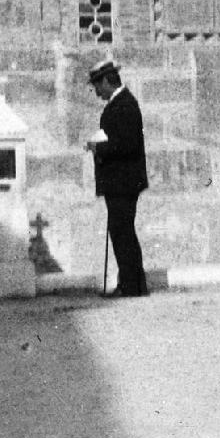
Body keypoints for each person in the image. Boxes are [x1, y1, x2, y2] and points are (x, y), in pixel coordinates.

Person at [85, 60, 148, 297]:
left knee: (122, 232)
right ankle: (132, 284)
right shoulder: (119, 103)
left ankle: (132, 286)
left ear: (106, 81)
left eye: (97, 86)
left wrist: (99, 148)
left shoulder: (125, 105)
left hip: (123, 182)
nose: (97, 92)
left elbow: (128, 145)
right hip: (120, 182)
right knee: (122, 231)